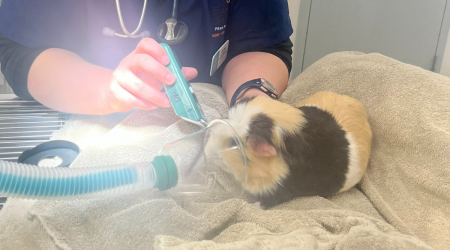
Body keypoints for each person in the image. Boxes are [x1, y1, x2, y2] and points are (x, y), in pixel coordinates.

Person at [0, 0, 293, 115]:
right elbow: (22, 50)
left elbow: (263, 44)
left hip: (211, 119)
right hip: (85, 124)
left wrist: (251, 101)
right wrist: (104, 91)